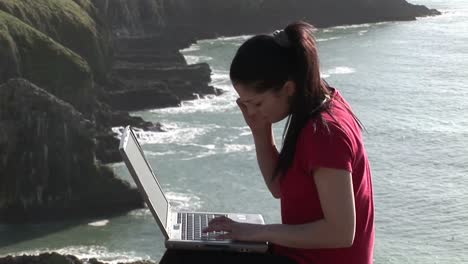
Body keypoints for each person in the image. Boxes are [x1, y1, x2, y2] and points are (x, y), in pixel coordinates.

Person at [161, 21, 374, 264]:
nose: (252, 111)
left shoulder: (325, 133)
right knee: (185, 253)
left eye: (257, 103)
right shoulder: (318, 101)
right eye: (245, 103)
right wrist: (260, 131)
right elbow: (279, 188)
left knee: (179, 259)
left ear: (288, 88)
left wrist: (256, 233)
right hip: (296, 255)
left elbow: (341, 232)